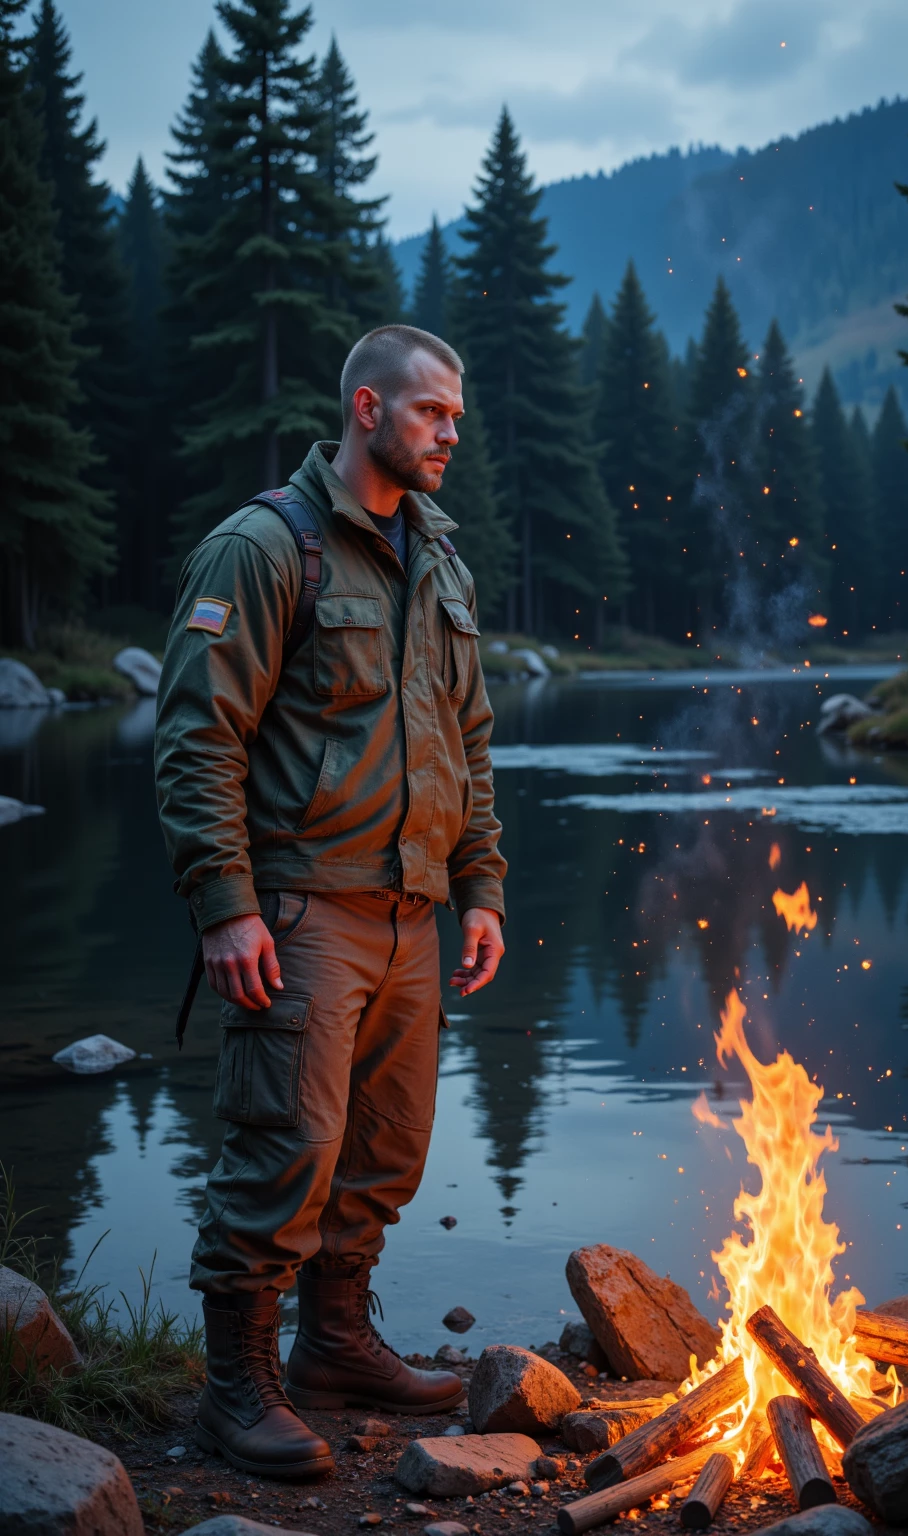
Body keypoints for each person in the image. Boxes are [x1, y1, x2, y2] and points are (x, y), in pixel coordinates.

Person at [154, 325, 506, 1479]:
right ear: (366, 408)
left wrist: (481, 886)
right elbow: (197, 738)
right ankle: (234, 1390)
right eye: (431, 414)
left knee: (384, 1153)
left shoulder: (439, 559)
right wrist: (224, 905)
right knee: (282, 1150)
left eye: (455, 415)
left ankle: (337, 1346)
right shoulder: (265, 549)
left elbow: (469, 742)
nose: (451, 431)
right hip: (301, 914)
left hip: (413, 915)